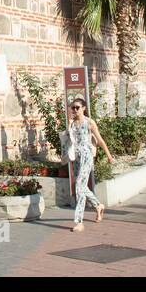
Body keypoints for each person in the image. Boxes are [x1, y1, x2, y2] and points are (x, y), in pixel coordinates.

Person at [62, 98, 112, 231]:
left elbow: (100, 140)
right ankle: (98, 205)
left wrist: (108, 155)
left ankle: (79, 222)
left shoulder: (89, 122)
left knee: (79, 186)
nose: (74, 110)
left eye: (77, 107)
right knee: (82, 186)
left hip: (87, 156)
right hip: (76, 158)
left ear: (84, 108)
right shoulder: (72, 124)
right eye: (73, 107)